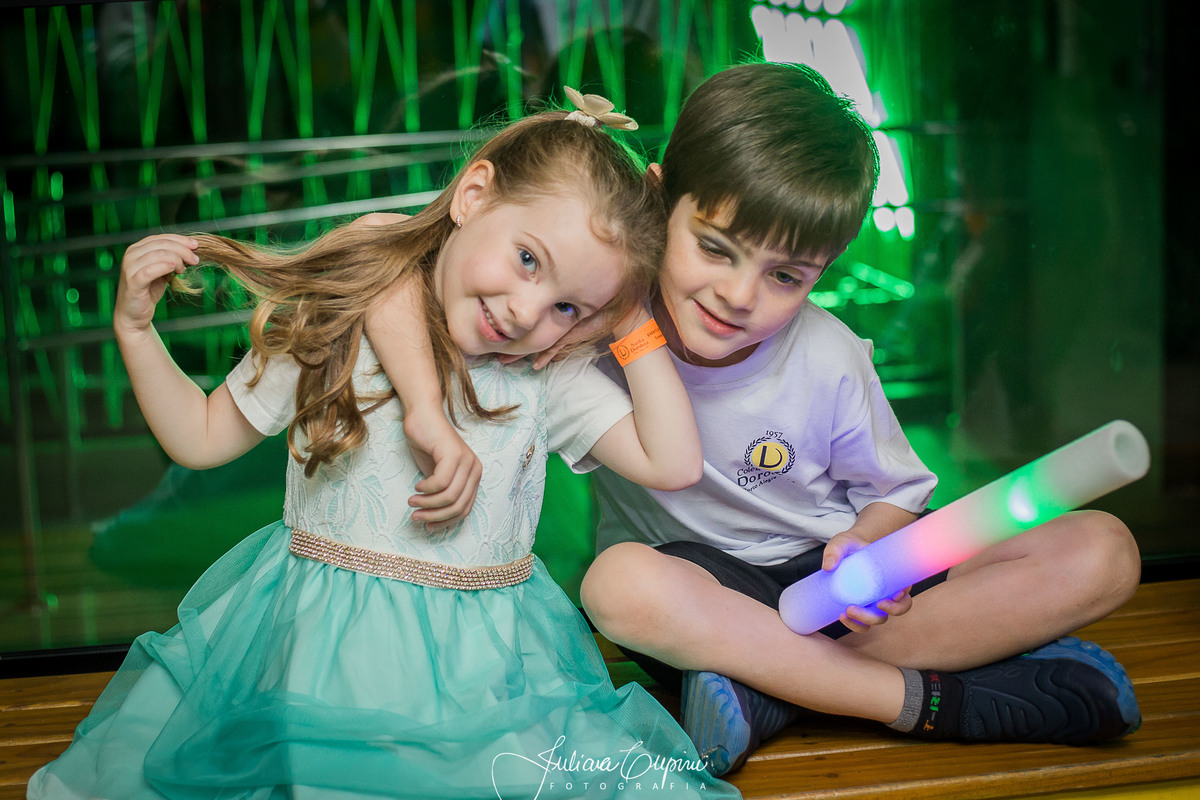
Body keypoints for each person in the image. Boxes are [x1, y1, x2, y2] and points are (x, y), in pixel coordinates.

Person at [27, 99, 739, 799]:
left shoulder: (543, 376)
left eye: (568, 306)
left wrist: (632, 321)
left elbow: (673, 463)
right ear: (472, 195)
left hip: (483, 685)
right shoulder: (340, 320)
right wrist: (135, 332)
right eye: (527, 259)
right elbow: (201, 436)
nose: (527, 313)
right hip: (322, 671)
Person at [576, 62, 1143, 776]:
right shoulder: (598, 329)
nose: (739, 296)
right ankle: (931, 699)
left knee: (1103, 550)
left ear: (827, 265)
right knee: (617, 585)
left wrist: (865, 547)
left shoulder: (830, 355)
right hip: (705, 601)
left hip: (833, 590)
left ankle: (772, 688)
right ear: (658, 199)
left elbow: (893, 494)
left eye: (786, 276)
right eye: (715, 248)